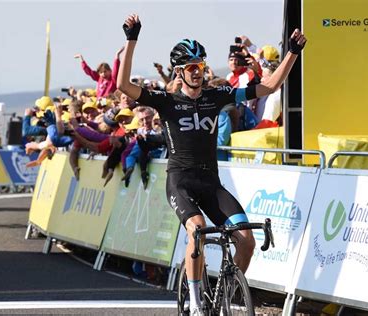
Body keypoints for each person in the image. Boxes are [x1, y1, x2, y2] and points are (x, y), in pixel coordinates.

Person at [117, 14, 306, 315]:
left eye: (201, 66)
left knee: (246, 241)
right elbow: (123, 85)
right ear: (179, 71)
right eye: (191, 67)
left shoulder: (217, 96)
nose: (197, 72)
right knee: (198, 229)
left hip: (210, 183)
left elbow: (268, 87)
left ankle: (226, 296)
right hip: (180, 182)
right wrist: (131, 39)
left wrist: (293, 53)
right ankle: (194, 304)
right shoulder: (166, 101)